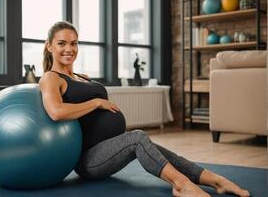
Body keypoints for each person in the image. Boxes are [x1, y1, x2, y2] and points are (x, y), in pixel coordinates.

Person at [38, 21, 250, 197]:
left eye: (74, 43)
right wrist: (96, 103)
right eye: (62, 43)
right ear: (49, 46)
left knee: (156, 149)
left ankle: (216, 180)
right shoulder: (51, 78)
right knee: (138, 137)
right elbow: (56, 112)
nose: (69, 49)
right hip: (88, 161)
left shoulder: (82, 77)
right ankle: (181, 185)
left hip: (109, 147)